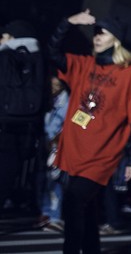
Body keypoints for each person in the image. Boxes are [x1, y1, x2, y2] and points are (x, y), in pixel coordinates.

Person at [48, 10, 131, 254]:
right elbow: (52, 53)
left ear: (115, 39)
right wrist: (68, 22)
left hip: (102, 154)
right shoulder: (84, 65)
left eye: (102, 33)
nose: (96, 37)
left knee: (74, 200)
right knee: (87, 208)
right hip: (76, 150)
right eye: (95, 32)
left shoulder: (129, 73)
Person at [0, 20, 45, 215]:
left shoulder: (5, 55)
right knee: (10, 169)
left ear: (11, 37)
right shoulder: (37, 58)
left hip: (4, 120)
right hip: (27, 123)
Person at [40, 75, 69, 232]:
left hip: (58, 146)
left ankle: (55, 217)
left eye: (56, 85)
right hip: (47, 144)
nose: (53, 88)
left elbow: (71, 125)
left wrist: (58, 141)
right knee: (47, 181)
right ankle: (47, 213)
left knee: (55, 181)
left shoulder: (68, 102)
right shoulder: (49, 101)